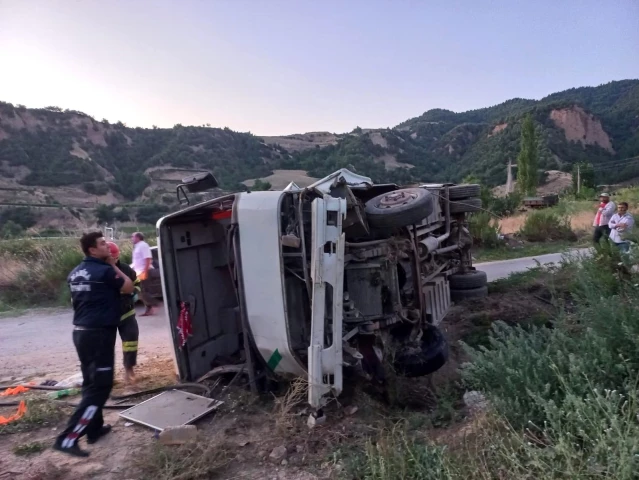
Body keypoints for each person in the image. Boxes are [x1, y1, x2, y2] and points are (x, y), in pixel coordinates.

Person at [54, 232, 134, 458]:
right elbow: (128, 287)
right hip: (99, 334)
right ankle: (68, 439)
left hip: (81, 332)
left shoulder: (75, 273)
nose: (107, 247)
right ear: (92, 250)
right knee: (101, 386)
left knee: (92, 382)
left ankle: (95, 429)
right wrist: (112, 265)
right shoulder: (105, 271)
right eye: (102, 244)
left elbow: (75, 302)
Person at [107, 242, 142, 385]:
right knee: (106, 347)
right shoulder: (99, 271)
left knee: (131, 341)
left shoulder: (126, 269)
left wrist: (135, 294)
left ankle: (129, 369)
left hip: (126, 312)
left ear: (117, 257)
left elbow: (137, 283)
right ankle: (108, 375)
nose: (112, 261)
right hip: (107, 315)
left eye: (114, 258)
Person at [131, 232, 157, 316]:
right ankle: (150, 307)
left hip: (144, 271)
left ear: (138, 237)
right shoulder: (137, 246)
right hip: (139, 272)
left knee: (143, 290)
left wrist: (145, 271)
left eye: (133, 237)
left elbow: (148, 258)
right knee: (141, 291)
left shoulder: (143, 245)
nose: (131, 238)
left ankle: (153, 305)